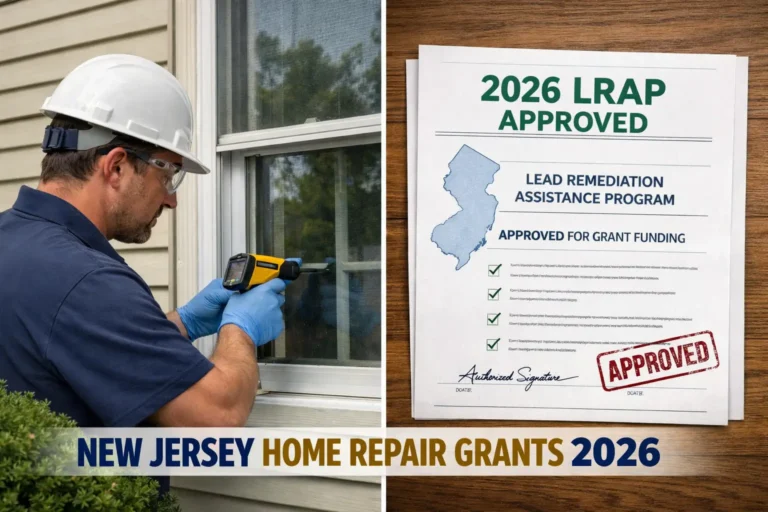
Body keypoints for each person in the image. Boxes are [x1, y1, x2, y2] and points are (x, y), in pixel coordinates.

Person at [0, 55, 289, 491]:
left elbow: (70, 348)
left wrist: (181, 324)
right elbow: (217, 419)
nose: (171, 200)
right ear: (116, 166)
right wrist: (240, 329)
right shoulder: (87, 282)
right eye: (169, 174)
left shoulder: (14, 241)